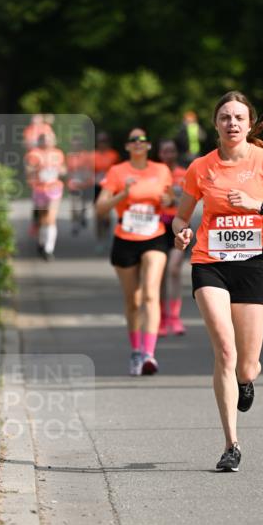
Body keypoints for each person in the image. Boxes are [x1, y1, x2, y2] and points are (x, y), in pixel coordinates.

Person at [173, 91, 263, 472]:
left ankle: (246, 381)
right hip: (209, 263)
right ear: (214, 124)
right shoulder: (201, 167)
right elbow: (181, 219)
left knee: (246, 365)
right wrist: (181, 232)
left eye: (239, 118)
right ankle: (231, 443)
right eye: (225, 117)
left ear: (249, 124)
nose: (232, 123)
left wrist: (259, 206)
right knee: (225, 354)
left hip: (249, 265)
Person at [96, 128, 174, 376]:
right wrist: (124, 194)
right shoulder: (117, 171)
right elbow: (99, 209)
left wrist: (167, 200)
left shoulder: (161, 170)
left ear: (149, 145)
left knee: (151, 294)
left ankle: (150, 354)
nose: (138, 143)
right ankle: (136, 351)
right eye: (133, 140)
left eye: (143, 140)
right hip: (125, 238)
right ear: (128, 146)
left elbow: (171, 199)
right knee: (133, 301)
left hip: (154, 237)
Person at [157, 139, 189, 336]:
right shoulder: (154, 173)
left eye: (171, 151)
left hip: (179, 224)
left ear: (176, 154)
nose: (168, 155)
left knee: (174, 269)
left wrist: (174, 199)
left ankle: (174, 317)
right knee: (159, 274)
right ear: (160, 154)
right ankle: (160, 317)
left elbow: (191, 199)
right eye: (165, 151)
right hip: (158, 226)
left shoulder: (184, 175)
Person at [24, 131, 66, 260]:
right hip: (40, 188)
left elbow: (64, 170)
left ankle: (49, 249)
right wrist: (38, 169)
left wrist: (59, 170)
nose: (48, 142)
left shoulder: (58, 153)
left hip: (54, 188)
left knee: (51, 218)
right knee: (42, 219)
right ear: (40, 141)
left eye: (50, 139)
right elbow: (28, 170)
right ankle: (42, 243)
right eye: (45, 139)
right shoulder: (33, 154)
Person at [93, 132, 120, 252]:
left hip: (109, 187)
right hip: (96, 187)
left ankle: (108, 235)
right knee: (98, 215)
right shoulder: (93, 155)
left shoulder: (113, 155)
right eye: (100, 141)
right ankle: (100, 239)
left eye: (104, 141)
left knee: (107, 215)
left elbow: (117, 170)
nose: (102, 143)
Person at [66, 136, 94, 235]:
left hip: (85, 183)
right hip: (73, 184)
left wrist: (87, 179)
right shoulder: (69, 156)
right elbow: (68, 170)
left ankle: (83, 215)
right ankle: (75, 225)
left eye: (77, 144)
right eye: (74, 144)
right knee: (74, 205)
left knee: (83, 204)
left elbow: (90, 169)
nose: (75, 146)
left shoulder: (86, 155)